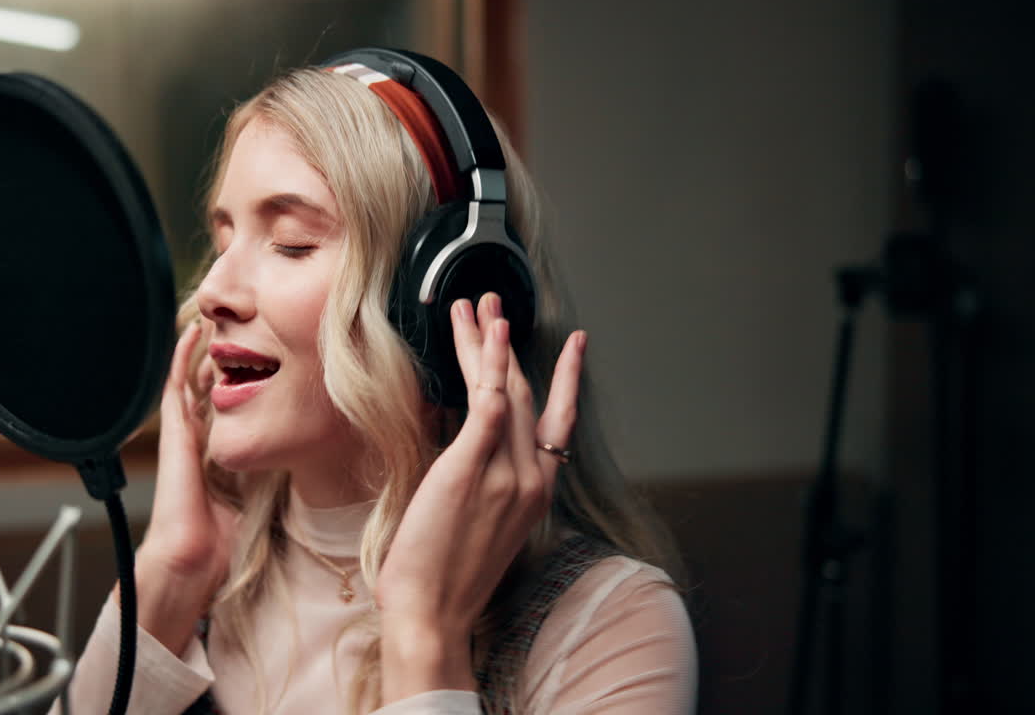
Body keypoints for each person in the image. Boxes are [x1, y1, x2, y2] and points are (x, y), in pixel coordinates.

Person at [56, 50, 697, 715]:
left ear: (441, 294)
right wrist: (164, 582)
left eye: (292, 243)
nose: (213, 291)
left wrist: (426, 632)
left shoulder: (611, 628)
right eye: (223, 243)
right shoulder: (198, 586)